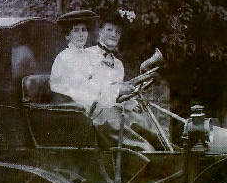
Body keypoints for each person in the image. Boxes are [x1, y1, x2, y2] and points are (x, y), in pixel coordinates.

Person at [50, 10, 157, 151]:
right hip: (78, 110)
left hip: (94, 106)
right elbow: (84, 87)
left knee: (134, 117)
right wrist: (117, 91)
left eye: (84, 30)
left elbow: (100, 83)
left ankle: (159, 147)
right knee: (112, 117)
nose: (81, 34)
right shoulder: (66, 57)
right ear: (67, 35)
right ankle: (145, 150)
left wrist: (125, 95)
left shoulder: (83, 56)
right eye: (76, 31)